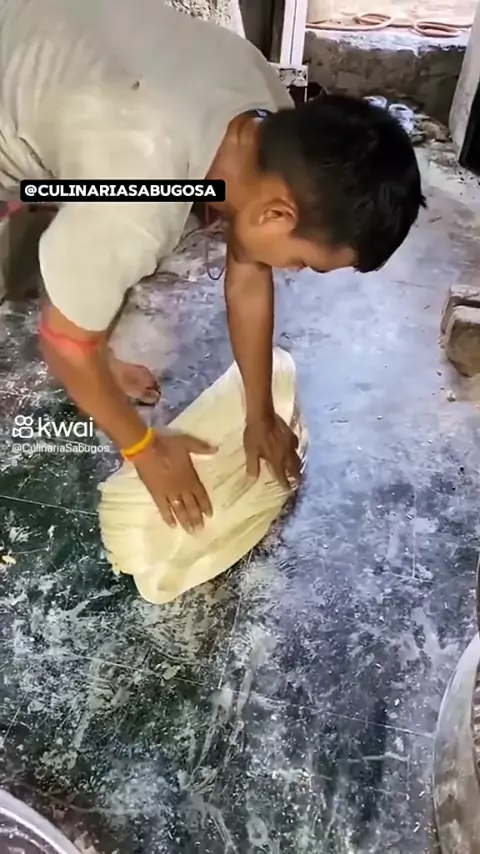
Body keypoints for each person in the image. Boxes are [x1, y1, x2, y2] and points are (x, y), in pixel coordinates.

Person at [0, 0, 425, 534]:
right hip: (30, 78)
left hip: (50, 47)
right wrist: (144, 448)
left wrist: (259, 411)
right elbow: (63, 344)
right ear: (276, 214)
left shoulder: (269, 117)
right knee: (81, 306)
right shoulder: (140, 191)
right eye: (304, 262)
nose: (294, 271)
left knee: (90, 246)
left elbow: (249, 272)